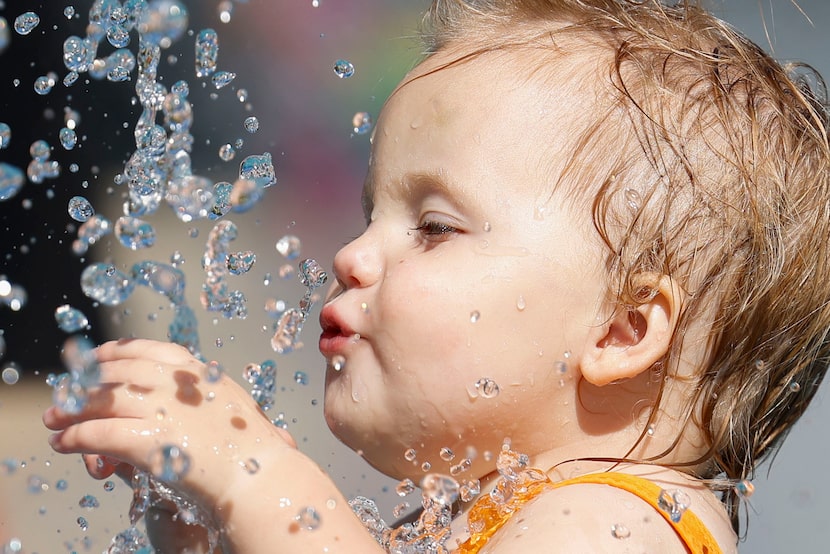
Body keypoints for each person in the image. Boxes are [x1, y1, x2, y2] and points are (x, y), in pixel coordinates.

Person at [43, 0, 830, 552]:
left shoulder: (610, 528)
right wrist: (203, 523)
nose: (351, 257)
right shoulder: (504, 514)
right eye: (367, 215)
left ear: (623, 328)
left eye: (433, 229)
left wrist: (261, 481)